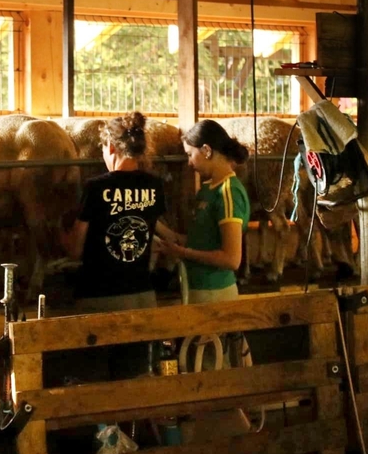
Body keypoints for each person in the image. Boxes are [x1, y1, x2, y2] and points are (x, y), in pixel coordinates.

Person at [63, 111, 167, 314]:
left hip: (99, 296)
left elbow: (75, 250)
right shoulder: (155, 185)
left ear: (110, 146)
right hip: (143, 295)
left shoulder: (96, 187)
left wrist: (57, 233)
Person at [155, 119, 251, 304]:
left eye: (190, 154)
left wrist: (182, 253)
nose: (189, 163)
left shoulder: (228, 192)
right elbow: (202, 241)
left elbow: (231, 259)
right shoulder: (207, 190)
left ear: (206, 150)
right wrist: (157, 227)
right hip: (197, 290)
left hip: (215, 292)